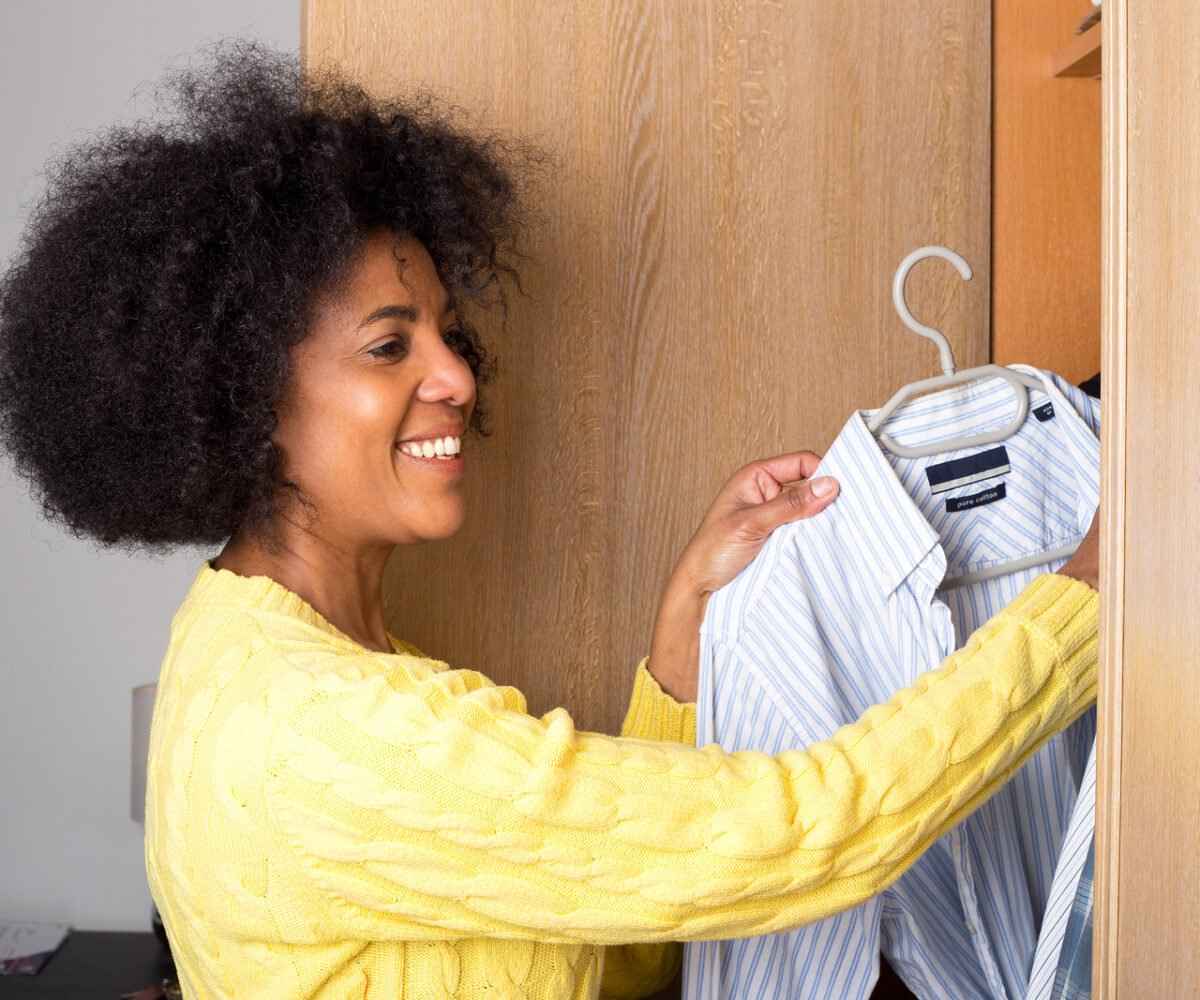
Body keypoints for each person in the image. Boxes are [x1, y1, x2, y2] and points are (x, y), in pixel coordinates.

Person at [0, 44, 1100, 1000]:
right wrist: (1086, 610)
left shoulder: (276, 649)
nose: (457, 377)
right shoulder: (318, 730)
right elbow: (802, 835)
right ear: (243, 399)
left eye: (445, 332)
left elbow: (607, 943)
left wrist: (681, 641)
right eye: (391, 347)